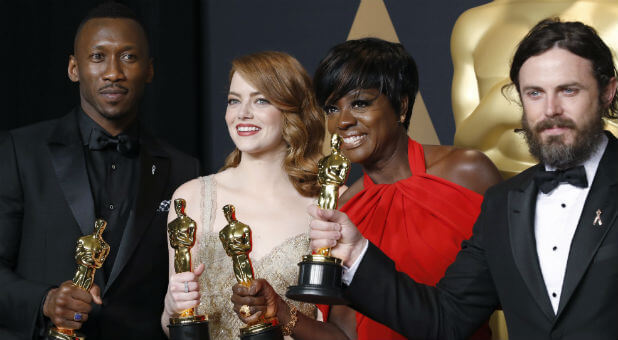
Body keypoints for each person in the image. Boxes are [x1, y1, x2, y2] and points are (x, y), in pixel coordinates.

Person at [309, 19, 618, 339]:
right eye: (535, 93)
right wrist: (358, 253)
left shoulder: (470, 176)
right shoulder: (505, 203)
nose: (550, 109)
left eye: (568, 90)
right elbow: (447, 319)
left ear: (608, 91)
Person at [231, 38, 501, 340]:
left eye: (360, 103)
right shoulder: (345, 210)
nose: (343, 121)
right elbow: (346, 335)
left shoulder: (467, 172)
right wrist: (281, 312)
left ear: (401, 106)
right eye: (332, 108)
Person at [0, 3, 200, 339]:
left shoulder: (183, 168)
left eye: (128, 57)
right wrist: (46, 301)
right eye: (97, 57)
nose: (113, 72)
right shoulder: (20, 151)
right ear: (73, 68)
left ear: (149, 70)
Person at [160, 51, 324, 340]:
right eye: (234, 100)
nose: (242, 113)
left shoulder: (327, 204)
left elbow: (341, 330)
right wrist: (171, 308)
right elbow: (174, 324)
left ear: (292, 109)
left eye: (260, 100)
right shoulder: (192, 198)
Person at [451, 0, 618, 178]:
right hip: (498, 192)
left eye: (569, 90)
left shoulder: (613, 17)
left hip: (603, 186)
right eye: (534, 93)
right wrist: (493, 109)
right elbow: (462, 144)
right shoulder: (473, 24)